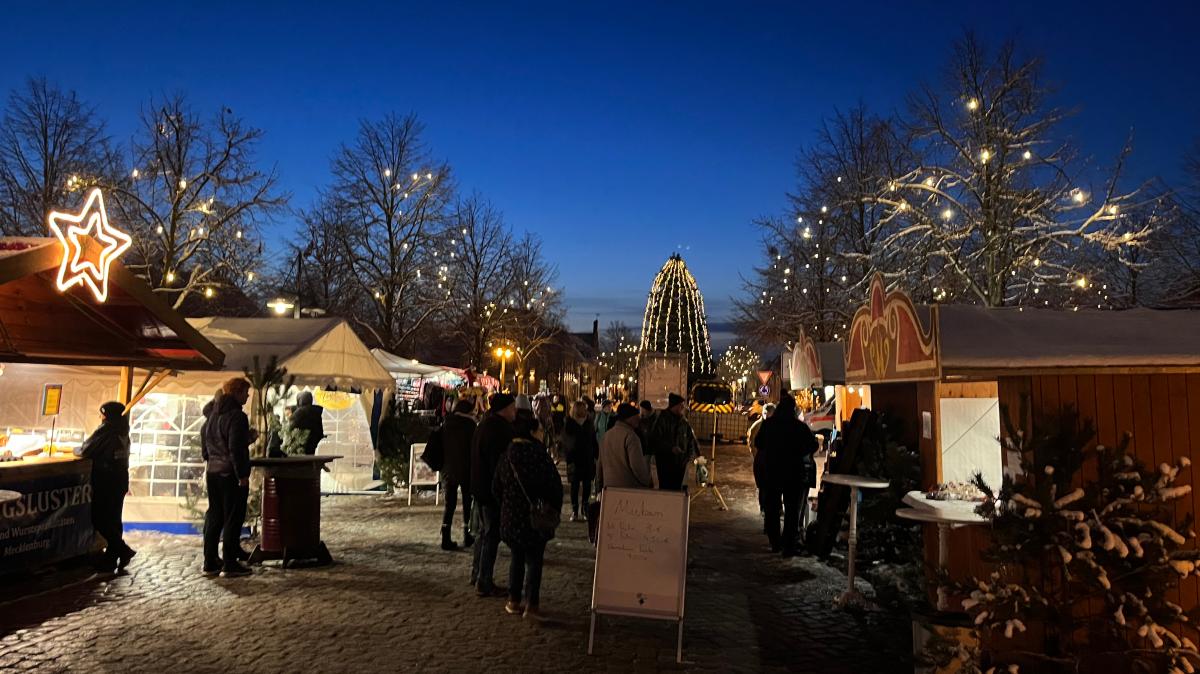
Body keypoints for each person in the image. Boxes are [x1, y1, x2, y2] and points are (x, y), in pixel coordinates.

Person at [492, 412, 562, 620]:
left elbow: (496, 487)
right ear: (532, 433)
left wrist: (507, 505)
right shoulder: (539, 455)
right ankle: (531, 604)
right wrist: (552, 508)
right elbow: (554, 486)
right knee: (534, 560)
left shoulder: (507, 456)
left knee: (517, 557)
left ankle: (513, 601)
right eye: (540, 430)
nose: (542, 434)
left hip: (511, 517)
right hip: (534, 517)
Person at [201, 378, 255, 577]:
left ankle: (210, 560)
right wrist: (242, 474)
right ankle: (230, 562)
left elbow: (207, 445)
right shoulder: (236, 416)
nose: (247, 396)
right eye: (245, 392)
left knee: (215, 515)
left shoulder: (212, 415)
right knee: (233, 517)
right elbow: (235, 448)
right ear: (237, 392)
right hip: (230, 473)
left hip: (213, 471)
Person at [753, 393, 818, 556]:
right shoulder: (799, 427)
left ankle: (775, 542)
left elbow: (758, 443)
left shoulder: (768, 425)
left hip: (771, 472)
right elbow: (813, 445)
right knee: (791, 510)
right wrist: (798, 452)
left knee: (772, 508)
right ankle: (788, 545)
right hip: (793, 473)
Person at [77, 401, 134, 572]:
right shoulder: (123, 430)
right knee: (114, 519)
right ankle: (111, 557)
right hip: (121, 478)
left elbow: (85, 450)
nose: (100, 417)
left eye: (102, 414)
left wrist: (75, 450)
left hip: (106, 479)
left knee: (99, 518)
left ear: (106, 415)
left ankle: (122, 550)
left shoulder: (106, 430)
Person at [470, 392, 516, 596]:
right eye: (512, 407)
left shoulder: (485, 425)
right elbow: (499, 463)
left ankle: (477, 574)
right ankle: (484, 580)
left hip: (480, 487)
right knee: (491, 534)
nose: (514, 411)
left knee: (484, 533)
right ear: (504, 409)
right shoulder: (498, 429)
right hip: (490, 490)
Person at [440, 399, 477, 550]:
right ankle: (467, 534)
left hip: (448, 469)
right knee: (468, 502)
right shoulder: (470, 426)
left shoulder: (446, 424)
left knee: (450, 504)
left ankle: (446, 537)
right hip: (466, 469)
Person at [646, 393, 698, 491]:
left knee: (678, 489)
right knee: (667, 490)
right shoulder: (662, 419)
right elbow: (656, 440)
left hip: (681, 463)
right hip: (666, 464)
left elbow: (691, 439)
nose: (683, 407)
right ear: (674, 406)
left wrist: (691, 455)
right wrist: (671, 448)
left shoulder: (683, 421)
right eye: (681, 405)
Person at [597, 403, 653, 490]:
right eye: (636, 416)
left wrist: (599, 486)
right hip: (628, 488)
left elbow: (600, 463)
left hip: (609, 487)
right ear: (630, 418)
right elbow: (637, 467)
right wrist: (647, 481)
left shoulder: (606, 435)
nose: (639, 419)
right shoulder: (631, 437)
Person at [562, 400, 597, 521]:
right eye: (581, 409)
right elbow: (566, 442)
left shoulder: (588, 423)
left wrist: (596, 454)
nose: (583, 411)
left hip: (587, 458)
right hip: (574, 459)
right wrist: (568, 455)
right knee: (574, 486)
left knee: (587, 485)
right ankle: (575, 510)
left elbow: (593, 439)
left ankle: (585, 508)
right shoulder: (569, 423)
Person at [289, 391, 326, 455]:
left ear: (299, 400)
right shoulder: (318, 411)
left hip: (301, 444)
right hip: (315, 442)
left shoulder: (298, 412)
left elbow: (291, 427)